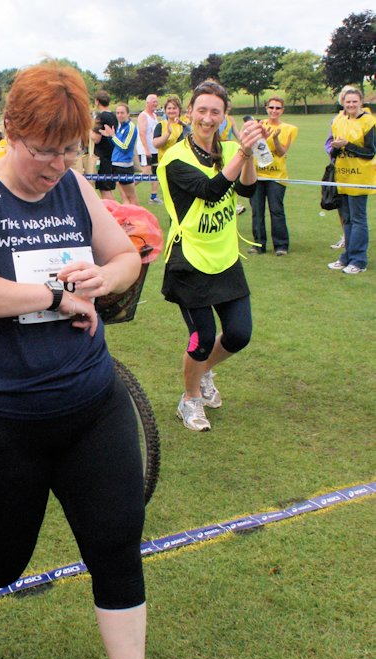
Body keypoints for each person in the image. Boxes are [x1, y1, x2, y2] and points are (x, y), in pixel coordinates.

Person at [0, 61, 196, 659]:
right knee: (0, 560)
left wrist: (108, 278)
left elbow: (125, 259)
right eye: (43, 148)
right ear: (12, 131)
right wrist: (52, 293)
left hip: (91, 403)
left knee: (115, 543)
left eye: (69, 148)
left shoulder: (76, 184)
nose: (56, 164)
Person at [157, 81, 265, 432]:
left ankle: (203, 372)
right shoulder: (175, 158)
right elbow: (210, 190)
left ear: (224, 116)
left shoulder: (232, 148)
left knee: (239, 334)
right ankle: (189, 400)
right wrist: (241, 154)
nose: (207, 118)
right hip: (189, 260)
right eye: (201, 110)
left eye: (215, 112)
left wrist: (247, 153)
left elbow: (246, 187)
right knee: (201, 338)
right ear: (190, 112)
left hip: (225, 258)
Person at [327, 88, 375, 275]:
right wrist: (337, 147)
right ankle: (346, 256)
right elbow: (333, 153)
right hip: (342, 176)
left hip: (361, 177)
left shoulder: (369, 122)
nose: (351, 105)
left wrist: (347, 144)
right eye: (348, 102)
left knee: (358, 219)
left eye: (355, 102)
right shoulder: (338, 121)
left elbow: (370, 151)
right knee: (346, 219)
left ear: (361, 102)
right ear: (343, 103)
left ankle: (359, 260)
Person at [248, 97, 298, 256]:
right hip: (257, 175)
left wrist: (275, 138)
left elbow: (282, 152)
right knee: (257, 210)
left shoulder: (289, 129)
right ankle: (258, 245)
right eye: (271, 107)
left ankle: (281, 245)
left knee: (276, 210)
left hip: (277, 176)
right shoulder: (258, 125)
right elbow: (250, 145)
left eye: (278, 108)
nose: (274, 111)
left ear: (282, 110)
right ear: (266, 108)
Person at [100, 104, 139, 205]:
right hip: (116, 164)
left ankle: (138, 219)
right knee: (125, 196)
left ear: (128, 114)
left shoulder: (130, 127)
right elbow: (117, 144)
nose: (119, 115)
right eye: (117, 113)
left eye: (122, 113)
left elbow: (125, 147)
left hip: (124, 166)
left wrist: (112, 136)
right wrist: (109, 136)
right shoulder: (120, 126)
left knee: (131, 197)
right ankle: (127, 219)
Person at [90, 90, 117, 200]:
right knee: (108, 189)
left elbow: (96, 139)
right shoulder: (114, 116)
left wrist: (88, 129)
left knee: (105, 190)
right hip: (112, 155)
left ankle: (113, 215)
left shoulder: (101, 117)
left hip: (103, 157)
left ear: (97, 102)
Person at [137, 94, 161, 203]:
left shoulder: (155, 116)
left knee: (157, 173)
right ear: (147, 103)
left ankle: (153, 197)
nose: (155, 104)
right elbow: (142, 133)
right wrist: (146, 150)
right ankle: (129, 187)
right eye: (153, 102)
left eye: (156, 102)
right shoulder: (143, 116)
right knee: (145, 172)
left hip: (155, 149)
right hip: (145, 150)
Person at [152, 96, 189, 163]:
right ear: (165, 111)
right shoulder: (160, 125)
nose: (171, 111)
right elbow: (156, 144)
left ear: (179, 110)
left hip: (183, 162)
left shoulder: (185, 123)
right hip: (166, 163)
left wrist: (181, 123)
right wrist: (167, 134)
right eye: (169, 108)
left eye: (174, 108)